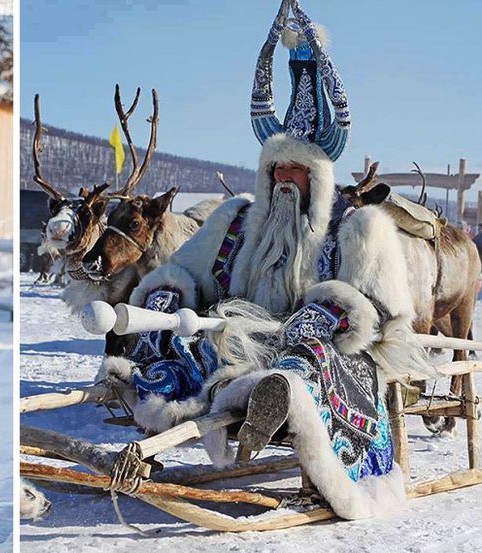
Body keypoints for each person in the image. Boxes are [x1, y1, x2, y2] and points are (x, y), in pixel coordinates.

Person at [98, 0, 430, 521]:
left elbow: (381, 315)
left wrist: (319, 318)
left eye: (294, 171)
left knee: (309, 361)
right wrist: (166, 298)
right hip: (242, 345)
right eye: (274, 168)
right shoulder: (236, 222)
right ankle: (158, 400)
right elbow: (184, 271)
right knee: (182, 339)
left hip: (330, 353)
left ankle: (279, 399)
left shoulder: (358, 229)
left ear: (317, 178)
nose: (281, 180)